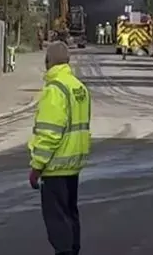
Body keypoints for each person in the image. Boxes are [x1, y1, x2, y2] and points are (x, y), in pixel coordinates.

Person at [28, 41, 92, 255]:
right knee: (70, 213)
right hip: (73, 165)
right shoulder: (78, 88)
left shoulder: (55, 90)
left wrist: (37, 166)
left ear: (48, 62)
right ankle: (73, 251)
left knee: (57, 219)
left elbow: (49, 133)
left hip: (55, 166)